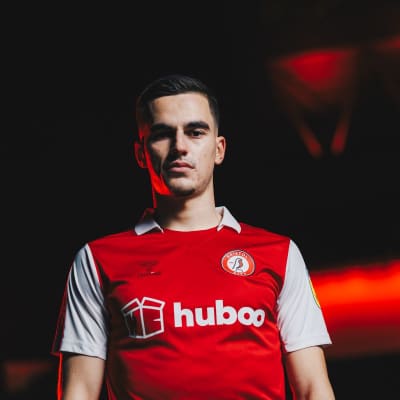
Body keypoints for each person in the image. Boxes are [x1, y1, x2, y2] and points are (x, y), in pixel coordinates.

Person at [52, 73, 336, 399]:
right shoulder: (97, 259)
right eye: (162, 134)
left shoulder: (279, 253)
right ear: (141, 153)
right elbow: (79, 391)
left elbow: (313, 387)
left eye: (195, 132)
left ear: (219, 149)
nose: (179, 147)